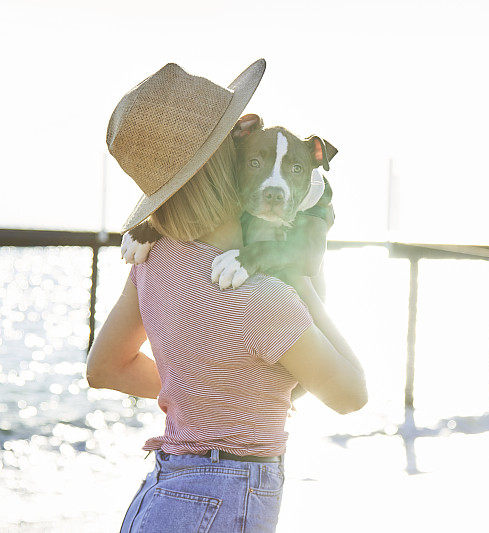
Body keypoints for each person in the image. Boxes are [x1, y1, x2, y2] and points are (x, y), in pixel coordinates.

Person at [85, 59, 367, 533]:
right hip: (221, 502)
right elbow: (351, 394)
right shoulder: (264, 297)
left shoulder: (152, 259)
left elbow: (103, 368)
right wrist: (301, 283)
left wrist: (202, 394)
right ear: (227, 160)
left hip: (159, 494)